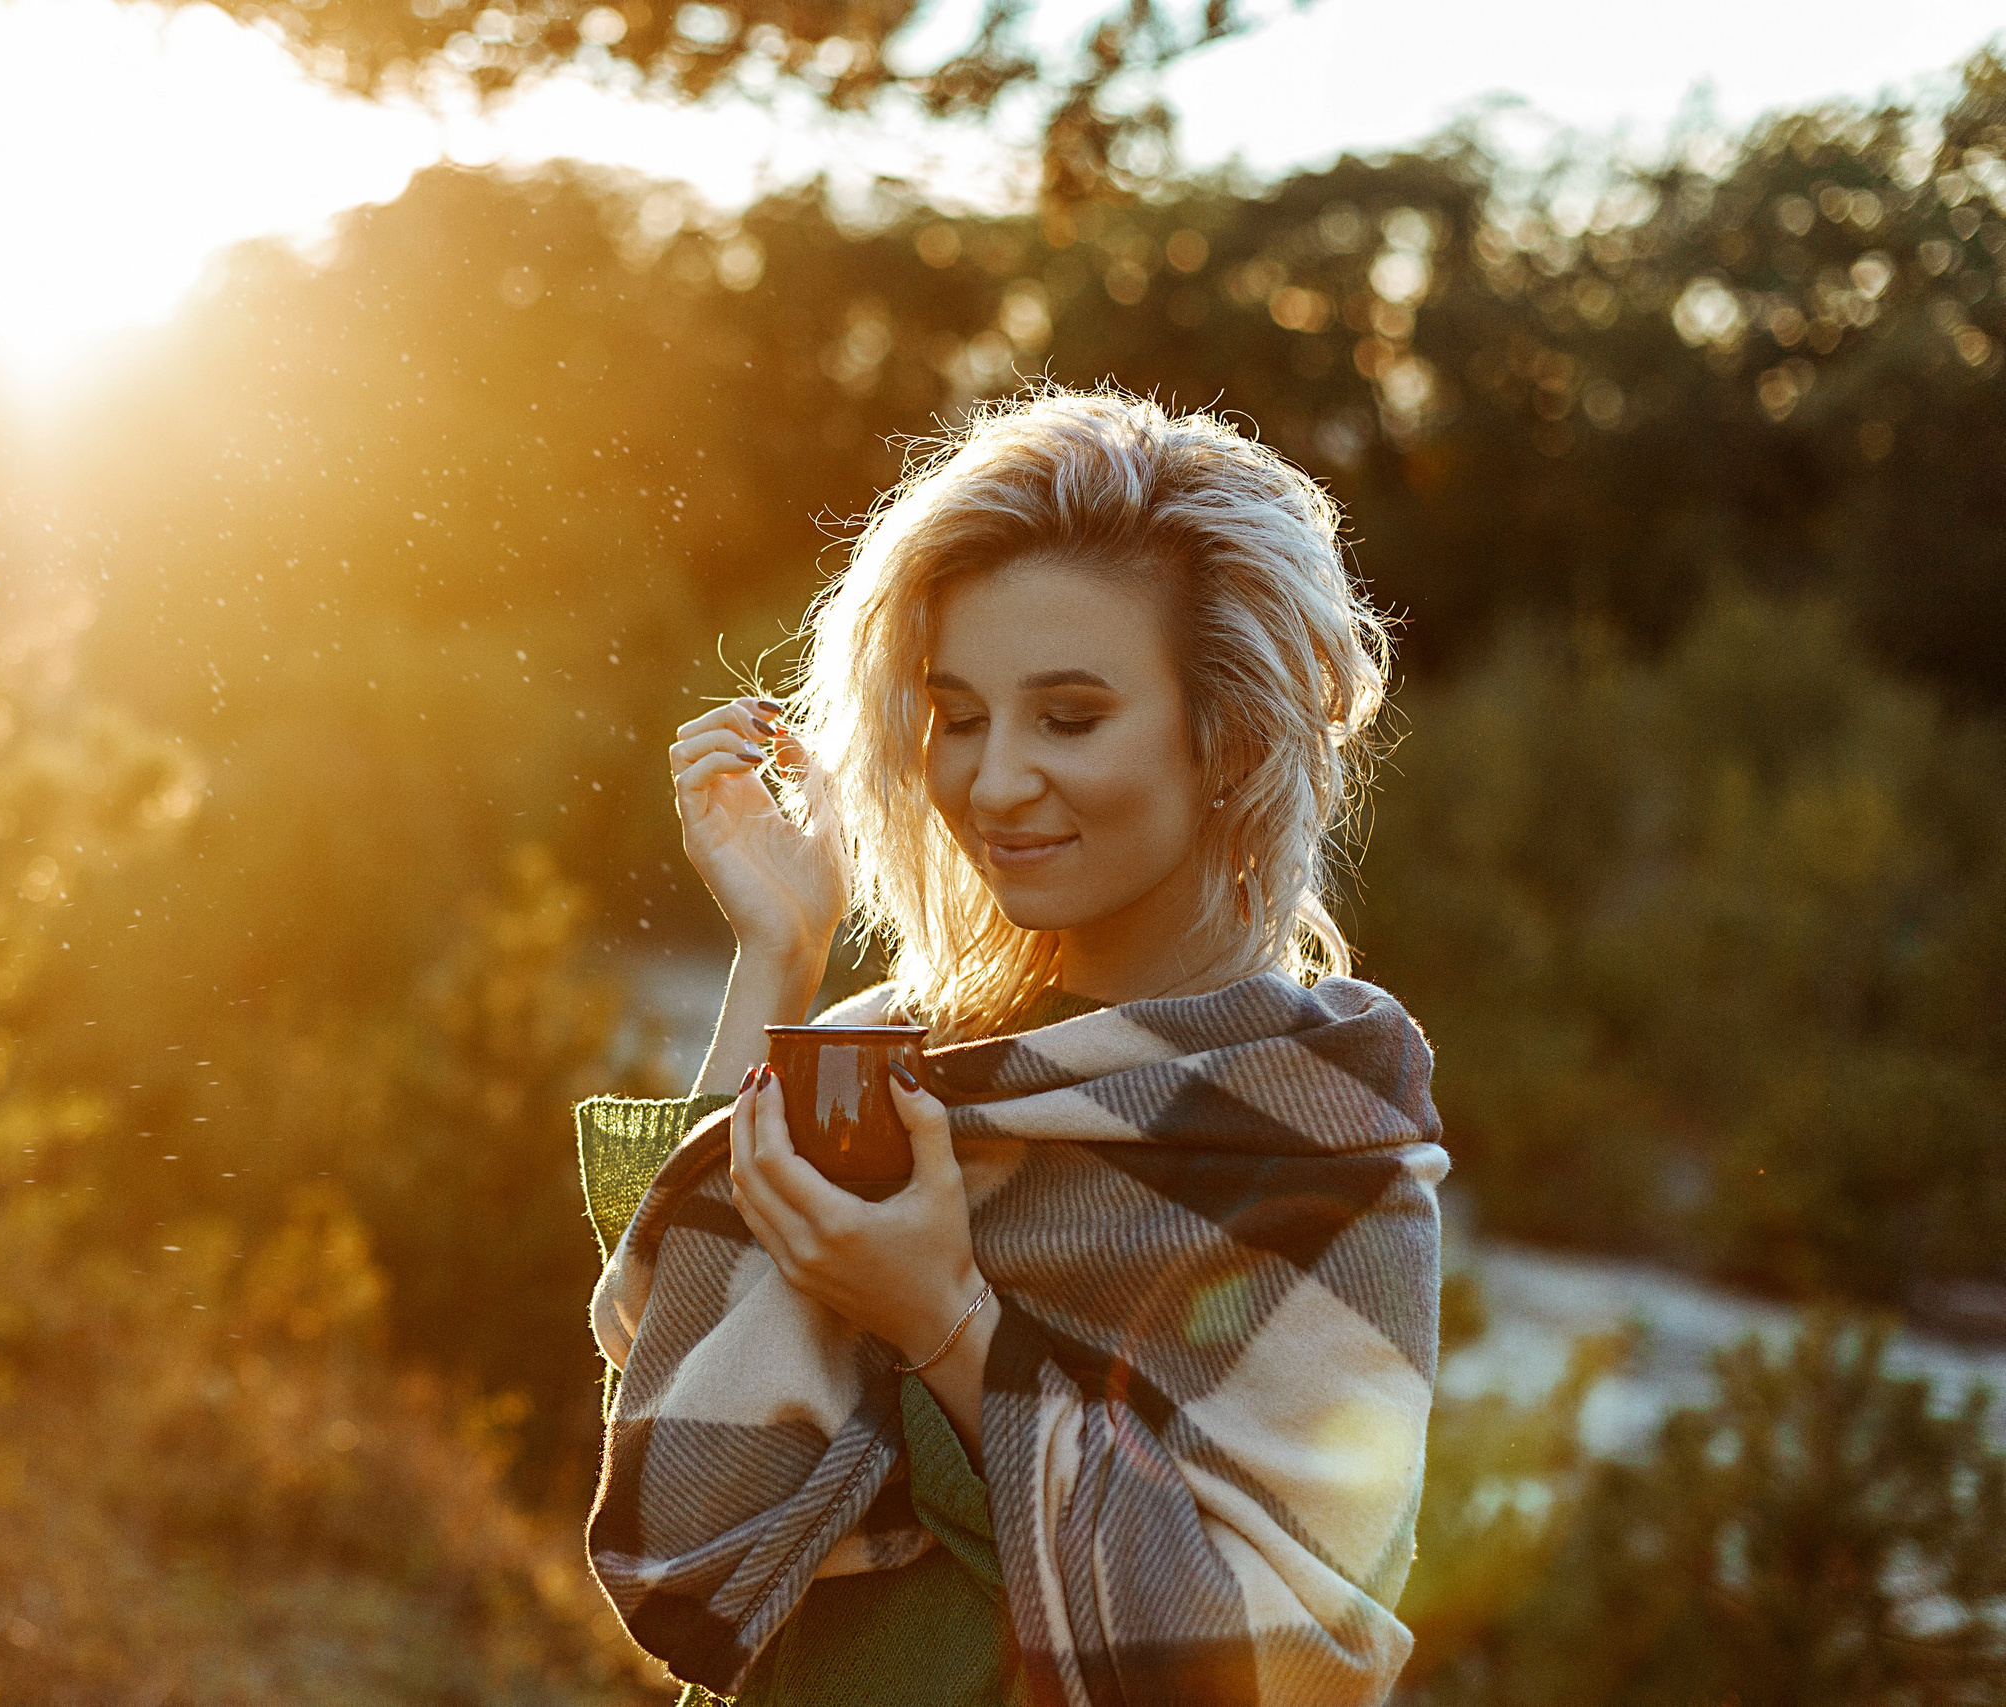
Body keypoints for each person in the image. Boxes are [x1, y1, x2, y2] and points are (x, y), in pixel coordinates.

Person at [575, 382, 1449, 1707]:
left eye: (1071, 717)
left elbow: (1283, 1667)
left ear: (1230, 734)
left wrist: (938, 1319)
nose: (990, 783)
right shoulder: (891, 1048)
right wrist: (781, 954)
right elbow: (658, 1351)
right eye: (959, 715)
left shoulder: (1322, 1134)